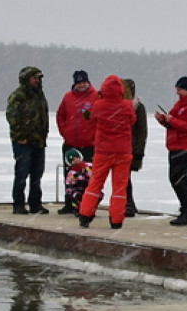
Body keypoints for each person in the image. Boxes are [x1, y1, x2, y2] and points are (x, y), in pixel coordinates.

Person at [78, 74, 137, 230]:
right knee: (119, 187)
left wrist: (92, 104)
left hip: (103, 151)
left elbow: (89, 118)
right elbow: (132, 121)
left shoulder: (98, 105)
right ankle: (116, 219)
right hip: (123, 152)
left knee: (95, 183)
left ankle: (85, 214)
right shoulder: (127, 106)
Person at [155, 76, 187, 226]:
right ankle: (185, 211)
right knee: (177, 178)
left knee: (178, 179)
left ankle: (186, 212)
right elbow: (174, 123)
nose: (177, 92)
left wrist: (171, 120)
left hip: (186, 147)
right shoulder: (180, 104)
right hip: (175, 145)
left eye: (180, 89)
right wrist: (163, 120)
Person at [6, 65, 50, 215]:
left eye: (38, 78)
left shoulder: (39, 95)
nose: (37, 81)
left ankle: (35, 204)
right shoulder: (17, 96)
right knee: (21, 174)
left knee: (37, 175)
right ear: (26, 79)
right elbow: (12, 117)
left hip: (39, 141)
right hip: (23, 143)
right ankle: (18, 204)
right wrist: (20, 137)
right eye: (34, 78)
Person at [55, 69, 99, 213]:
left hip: (89, 145)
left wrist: (94, 135)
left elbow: (100, 118)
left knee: (88, 177)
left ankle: (86, 206)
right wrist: (65, 131)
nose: (82, 85)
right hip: (71, 144)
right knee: (70, 177)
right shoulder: (68, 97)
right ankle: (69, 204)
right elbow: (60, 115)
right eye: (79, 82)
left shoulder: (96, 96)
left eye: (84, 82)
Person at [123, 78, 148, 218]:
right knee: (124, 178)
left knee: (125, 178)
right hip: (122, 147)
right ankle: (128, 203)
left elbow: (142, 131)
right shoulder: (122, 106)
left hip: (131, 148)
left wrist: (139, 152)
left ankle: (129, 204)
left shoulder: (138, 107)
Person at [63, 148, 91, 213]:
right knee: (76, 197)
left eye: (77, 157)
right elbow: (69, 186)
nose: (76, 160)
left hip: (88, 189)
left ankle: (90, 210)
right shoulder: (71, 173)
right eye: (73, 159)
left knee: (97, 195)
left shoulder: (89, 166)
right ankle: (77, 209)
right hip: (77, 191)